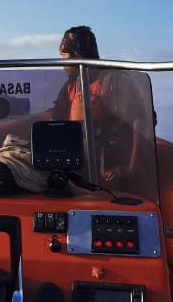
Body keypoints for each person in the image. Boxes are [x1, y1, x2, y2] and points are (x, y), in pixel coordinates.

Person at [50, 26, 154, 189]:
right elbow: (56, 122)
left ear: (77, 56)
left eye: (64, 56)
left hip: (111, 165)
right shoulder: (71, 87)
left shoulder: (114, 82)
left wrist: (131, 168)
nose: (62, 63)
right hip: (79, 163)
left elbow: (139, 121)